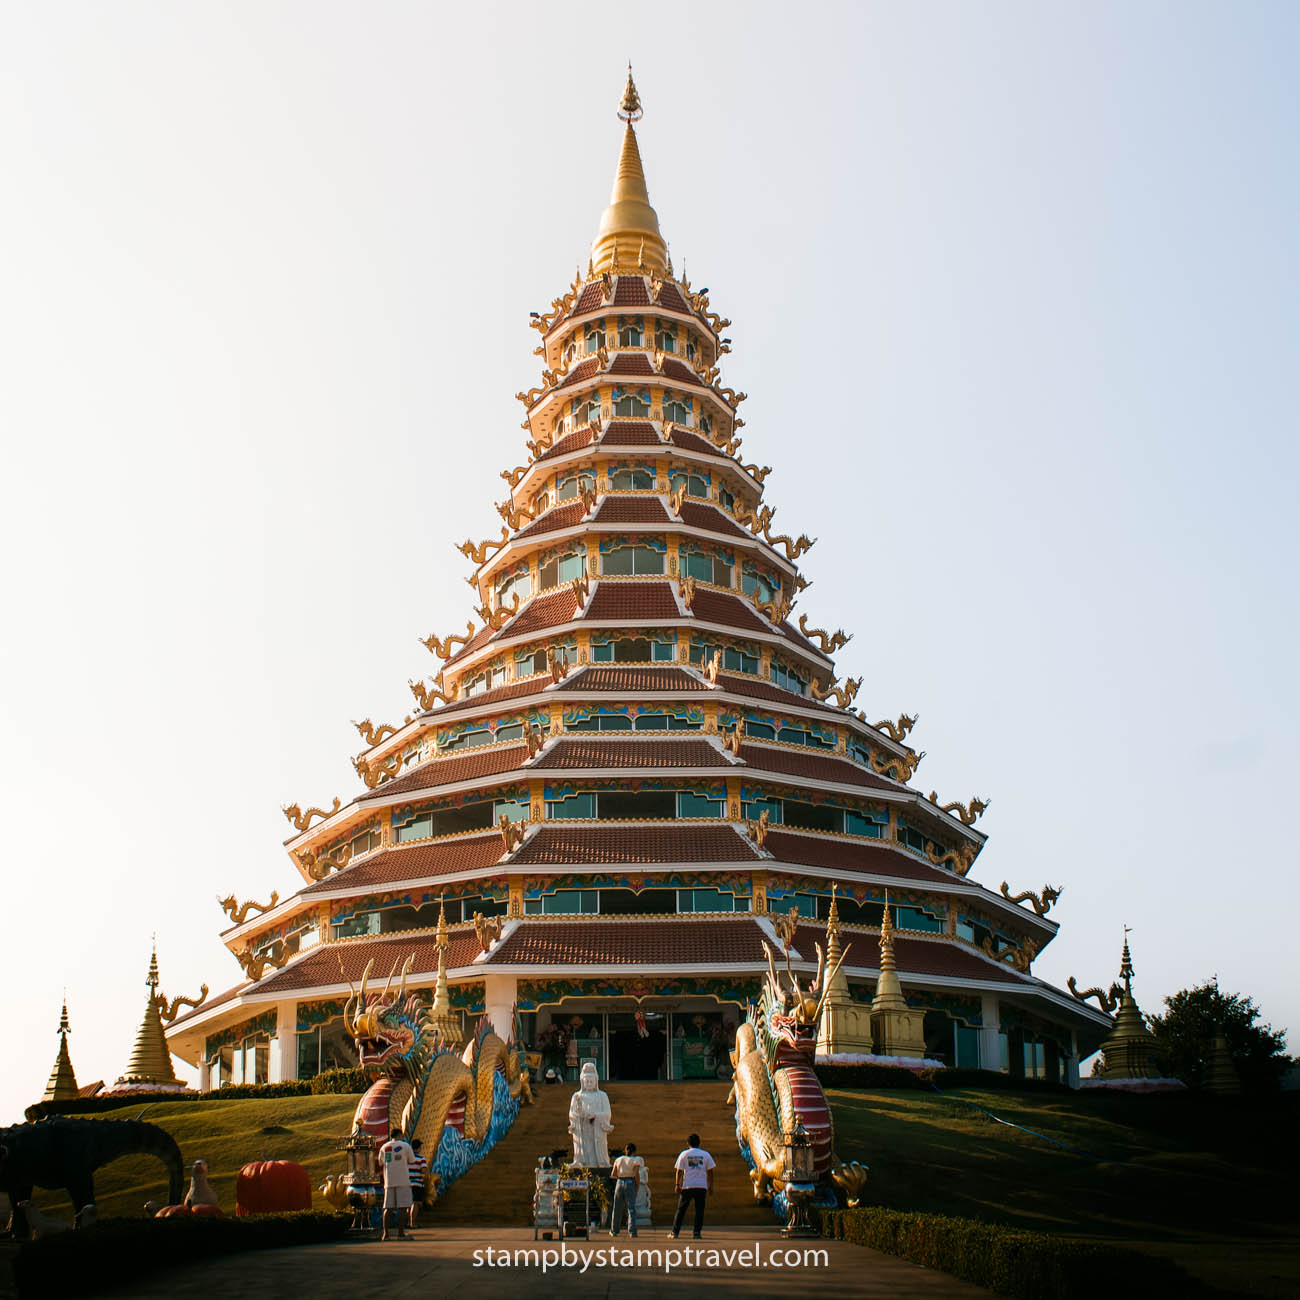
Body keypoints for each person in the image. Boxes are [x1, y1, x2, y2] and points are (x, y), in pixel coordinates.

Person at [667, 1133, 715, 1240]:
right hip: (701, 1186)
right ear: (699, 1142)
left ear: (688, 1143)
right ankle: (696, 1233)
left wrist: (677, 1184)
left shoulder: (684, 1154)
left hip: (687, 1186)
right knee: (699, 1211)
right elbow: (711, 1171)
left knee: (681, 1210)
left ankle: (675, 1232)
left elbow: (679, 1171)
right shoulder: (705, 1154)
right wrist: (711, 1186)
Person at [568, 1060, 614, 1166]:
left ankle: (599, 1163)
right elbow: (572, 1113)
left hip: (596, 1129)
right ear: (582, 1081)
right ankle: (581, 1161)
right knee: (584, 1148)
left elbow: (607, 1113)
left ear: (596, 1081)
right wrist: (579, 1116)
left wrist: (596, 1116)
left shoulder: (602, 1096)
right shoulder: (577, 1096)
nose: (588, 1083)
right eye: (586, 1081)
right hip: (582, 1128)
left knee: (596, 1149)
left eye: (591, 1081)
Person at [378, 1126, 415, 1241]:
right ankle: (400, 1233)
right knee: (402, 1208)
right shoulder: (405, 1146)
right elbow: (412, 1160)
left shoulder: (384, 1147)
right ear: (400, 1135)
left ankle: (386, 1234)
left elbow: (380, 1163)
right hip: (403, 1180)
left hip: (389, 1181)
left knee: (387, 1208)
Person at [609, 1142, 644, 1238]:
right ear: (634, 1151)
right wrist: (637, 1185)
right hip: (630, 1182)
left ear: (625, 1150)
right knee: (631, 1208)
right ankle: (632, 1231)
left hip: (619, 1182)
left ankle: (614, 1230)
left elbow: (613, 1174)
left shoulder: (618, 1159)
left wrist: (621, 1176)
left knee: (617, 1208)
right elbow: (636, 1174)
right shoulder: (636, 1160)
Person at [407, 1137, 427, 1228]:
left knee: (408, 1204)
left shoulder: (407, 1158)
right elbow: (423, 1170)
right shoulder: (421, 1159)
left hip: (407, 1183)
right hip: (417, 1183)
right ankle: (413, 1222)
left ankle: (408, 1222)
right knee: (415, 1203)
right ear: (419, 1147)